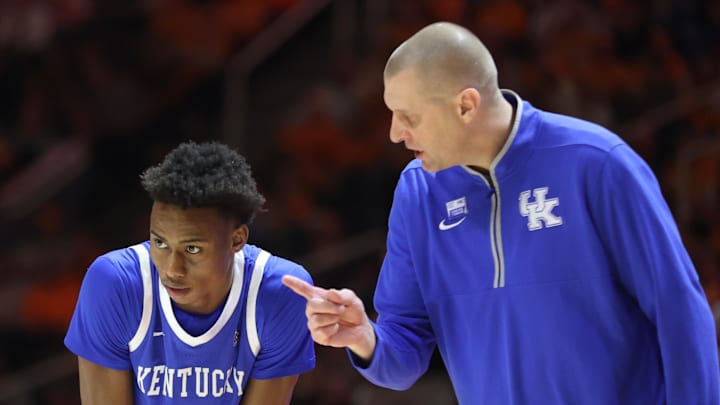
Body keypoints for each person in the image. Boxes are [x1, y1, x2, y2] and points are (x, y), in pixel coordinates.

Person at [282, 21, 720, 404]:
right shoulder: (418, 194)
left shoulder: (596, 163)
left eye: (407, 116)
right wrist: (364, 337)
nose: (396, 133)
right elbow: (403, 355)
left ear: (466, 106)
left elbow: (679, 310)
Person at [65, 141, 315, 404]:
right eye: (160, 243)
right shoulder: (114, 284)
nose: (173, 269)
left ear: (236, 240)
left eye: (192, 249)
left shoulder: (282, 291)